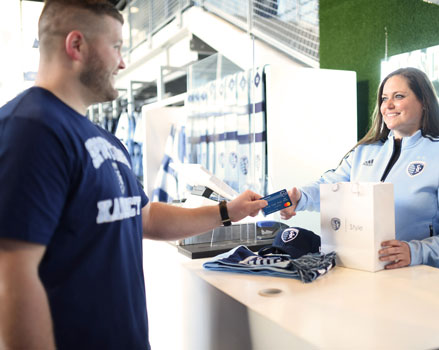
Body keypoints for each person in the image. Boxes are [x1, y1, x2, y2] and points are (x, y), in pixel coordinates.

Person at [0, 1, 267, 349]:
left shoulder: (103, 139)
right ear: (76, 45)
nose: (122, 62)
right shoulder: (31, 128)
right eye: (116, 47)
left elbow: (143, 216)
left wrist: (226, 212)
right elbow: (12, 277)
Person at [280, 67, 439, 273]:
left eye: (399, 96)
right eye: (384, 98)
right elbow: (331, 185)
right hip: (365, 275)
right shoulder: (365, 152)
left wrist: (417, 251)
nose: (388, 105)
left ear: (424, 102)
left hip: (424, 283)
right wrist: (301, 197)